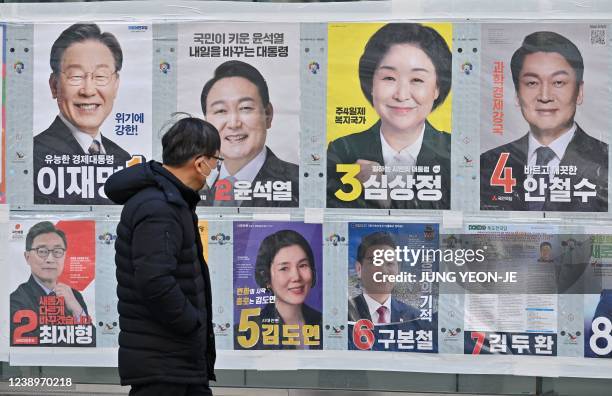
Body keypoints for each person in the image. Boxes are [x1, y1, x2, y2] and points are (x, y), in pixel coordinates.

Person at [104, 117, 220, 395]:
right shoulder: (159, 207)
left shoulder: (172, 200)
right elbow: (155, 281)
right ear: (200, 162)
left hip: (177, 360)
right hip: (164, 362)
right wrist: (192, 323)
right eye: (217, 160)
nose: (217, 167)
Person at [327, 23, 452, 209]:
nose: (401, 95)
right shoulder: (343, 150)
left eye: (417, 80)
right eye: (389, 78)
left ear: (437, 88)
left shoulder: (456, 153)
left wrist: (382, 192)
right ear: (371, 85)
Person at [480, 31, 608, 211]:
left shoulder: (605, 160)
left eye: (558, 82)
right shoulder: (488, 163)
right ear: (517, 94)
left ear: (579, 92)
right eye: (532, 83)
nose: (545, 96)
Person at [34, 23, 132, 204]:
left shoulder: (124, 159)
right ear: (54, 85)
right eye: (76, 76)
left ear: (116, 85)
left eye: (101, 76)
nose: (88, 90)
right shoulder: (34, 157)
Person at [199, 60, 299, 207]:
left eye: (245, 108)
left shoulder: (302, 184)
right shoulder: (192, 184)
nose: (234, 123)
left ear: (268, 114)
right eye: (220, 110)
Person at [10, 221, 90, 344]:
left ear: (65, 256)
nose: (50, 259)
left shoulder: (75, 297)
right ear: (27, 257)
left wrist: (77, 310)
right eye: (42, 251)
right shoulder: (16, 301)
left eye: (57, 251)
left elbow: (93, 342)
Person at [247, 229, 322, 350]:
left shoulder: (324, 323)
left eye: (302, 265)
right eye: (284, 268)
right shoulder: (248, 332)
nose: (296, 277)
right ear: (266, 278)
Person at [348, 231, 419, 324]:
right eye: (376, 262)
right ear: (359, 269)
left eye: (390, 263)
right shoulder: (344, 314)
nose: (383, 271)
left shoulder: (414, 317)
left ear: (398, 269)